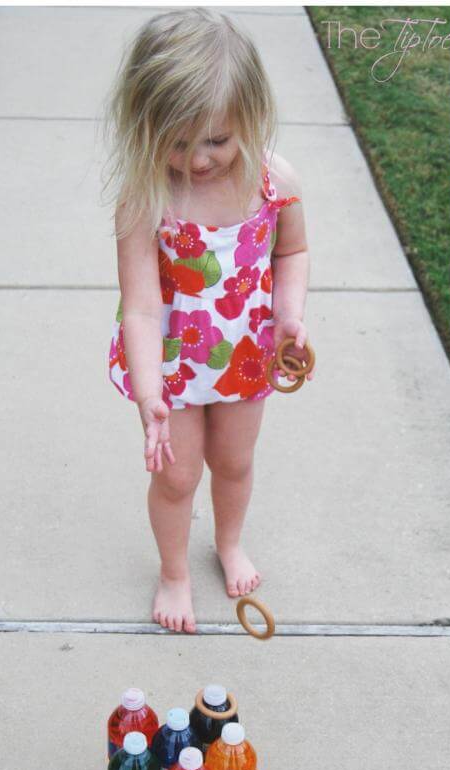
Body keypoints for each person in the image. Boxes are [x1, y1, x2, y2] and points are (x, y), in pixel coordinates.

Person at [103, 8, 311, 633]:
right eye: (177, 141)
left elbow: (292, 252)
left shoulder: (275, 181)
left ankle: (228, 541)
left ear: (250, 116)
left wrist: (289, 314)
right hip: (172, 364)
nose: (197, 161)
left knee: (236, 463)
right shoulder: (146, 197)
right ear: (146, 127)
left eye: (217, 140)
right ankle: (173, 572)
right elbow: (139, 305)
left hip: (248, 353)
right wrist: (148, 397)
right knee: (178, 476)